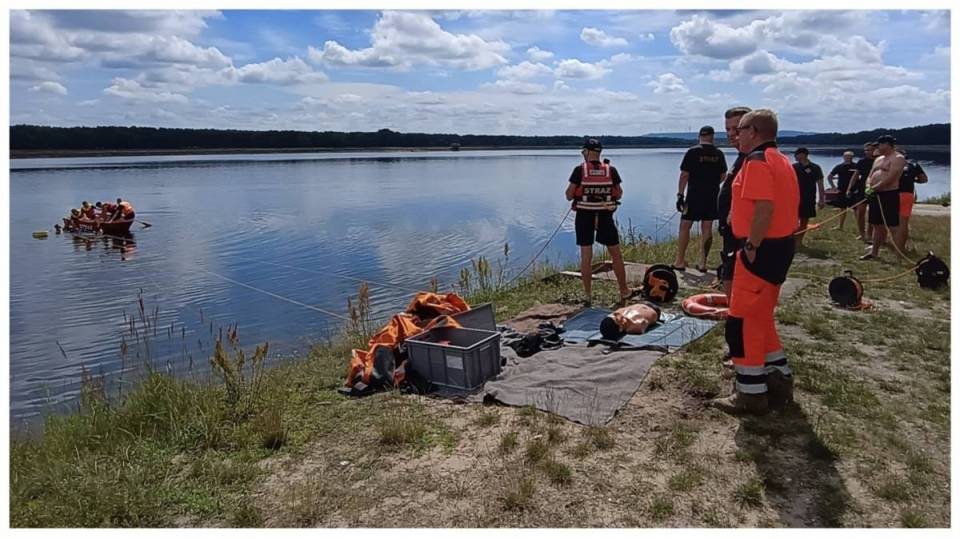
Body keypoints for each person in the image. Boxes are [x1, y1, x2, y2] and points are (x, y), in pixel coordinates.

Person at [712, 109, 799, 416]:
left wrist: (751, 245)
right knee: (761, 317)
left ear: (755, 131)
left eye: (741, 129)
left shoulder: (758, 161)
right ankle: (778, 377)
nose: (735, 135)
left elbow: (764, 207)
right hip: (778, 248)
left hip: (760, 252)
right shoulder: (781, 159)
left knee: (742, 323)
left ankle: (750, 393)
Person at [565, 138, 630, 305]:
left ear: (587, 152)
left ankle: (588, 295)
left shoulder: (579, 170)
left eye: (583, 152)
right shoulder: (611, 170)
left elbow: (569, 194)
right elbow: (619, 193)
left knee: (586, 256)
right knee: (616, 254)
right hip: (605, 217)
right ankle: (624, 291)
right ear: (599, 153)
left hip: (584, 216)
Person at [673, 125, 728, 272]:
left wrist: (680, 194)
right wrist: (712, 184)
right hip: (712, 196)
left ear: (700, 136)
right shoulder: (719, 154)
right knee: (707, 228)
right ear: (712, 136)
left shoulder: (692, 152)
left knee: (685, 226)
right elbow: (723, 176)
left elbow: (684, 175)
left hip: (693, 196)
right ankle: (703, 262)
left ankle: (680, 261)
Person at [718, 107, 751, 298]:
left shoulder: (753, 158)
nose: (731, 134)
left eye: (736, 130)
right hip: (730, 233)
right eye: (727, 130)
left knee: (738, 275)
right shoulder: (741, 157)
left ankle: (739, 319)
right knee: (729, 271)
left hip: (743, 235)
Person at [861, 135, 905, 260]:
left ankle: (898, 255)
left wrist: (874, 187)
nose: (878, 148)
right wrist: (868, 186)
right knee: (877, 224)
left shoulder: (898, 158)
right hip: (875, 194)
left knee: (893, 226)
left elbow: (891, 177)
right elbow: (870, 175)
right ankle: (874, 252)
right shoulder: (878, 159)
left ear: (887, 145)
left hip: (889, 194)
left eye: (880, 145)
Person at [894, 149, 927, 252]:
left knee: (891, 221)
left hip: (893, 194)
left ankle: (892, 243)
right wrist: (913, 180)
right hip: (908, 195)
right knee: (904, 223)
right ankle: (901, 247)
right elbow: (924, 179)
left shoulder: (892, 165)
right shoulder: (914, 165)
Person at [792, 147, 825, 248]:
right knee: (792, 220)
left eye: (796, 154)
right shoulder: (793, 167)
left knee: (804, 220)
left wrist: (821, 199)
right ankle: (791, 240)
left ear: (803, 155)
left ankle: (799, 241)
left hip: (809, 198)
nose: (794, 157)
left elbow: (820, 184)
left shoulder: (815, 168)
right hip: (794, 198)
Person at [848, 142, 877, 241]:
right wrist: (849, 188)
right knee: (860, 212)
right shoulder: (862, 162)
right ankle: (862, 233)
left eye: (869, 150)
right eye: (866, 150)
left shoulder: (880, 161)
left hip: (875, 188)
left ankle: (870, 233)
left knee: (873, 214)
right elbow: (855, 176)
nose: (867, 152)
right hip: (862, 189)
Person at [826, 151, 858, 231]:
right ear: (843, 157)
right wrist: (834, 187)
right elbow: (830, 177)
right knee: (842, 209)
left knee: (856, 209)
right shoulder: (839, 167)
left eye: (850, 157)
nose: (848, 158)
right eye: (846, 156)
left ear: (852, 157)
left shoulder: (856, 166)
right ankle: (840, 226)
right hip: (841, 190)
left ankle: (860, 228)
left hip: (853, 191)